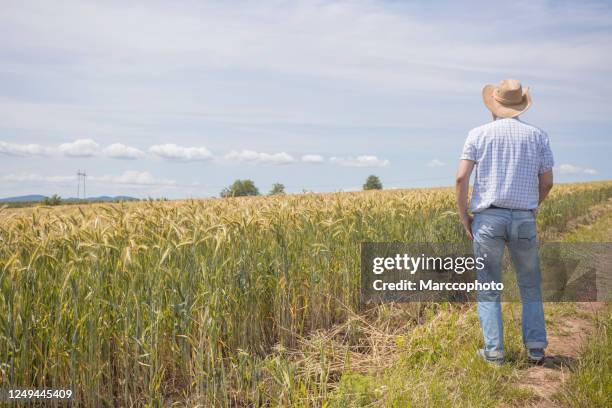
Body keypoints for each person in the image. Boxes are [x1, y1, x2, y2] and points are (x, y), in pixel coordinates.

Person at [455, 79, 554, 365]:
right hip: (524, 219)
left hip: (487, 219)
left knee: (488, 287)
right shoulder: (538, 136)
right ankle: (536, 348)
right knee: (530, 284)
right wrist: (529, 208)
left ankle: (495, 353)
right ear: (521, 106)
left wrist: (465, 216)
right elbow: (547, 182)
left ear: (493, 105)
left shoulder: (478, 134)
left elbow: (461, 178)